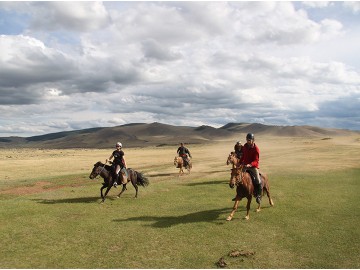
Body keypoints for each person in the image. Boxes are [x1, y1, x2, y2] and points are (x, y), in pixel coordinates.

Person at [240, 133, 262, 204]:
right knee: (239, 178)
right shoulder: (245, 146)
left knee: (258, 180)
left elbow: (256, 160)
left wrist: (250, 164)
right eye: (247, 140)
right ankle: (239, 193)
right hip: (245, 166)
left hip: (253, 167)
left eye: (249, 140)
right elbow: (243, 156)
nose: (248, 141)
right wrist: (240, 162)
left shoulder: (256, 149)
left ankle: (258, 196)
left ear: (253, 140)